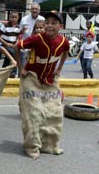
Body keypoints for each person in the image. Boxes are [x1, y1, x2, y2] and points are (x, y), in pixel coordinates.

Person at [14, 10, 69, 159]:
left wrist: (59, 69)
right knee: (34, 114)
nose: (50, 26)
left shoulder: (64, 42)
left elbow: (65, 52)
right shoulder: (37, 39)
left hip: (50, 80)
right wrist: (21, 68)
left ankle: (50, 146)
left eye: (54, 23)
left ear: (60, 26)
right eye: (47, 23)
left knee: (55, 113)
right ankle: (31, 147)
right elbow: (17, 47)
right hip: (31, 78)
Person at [19, 3, 44, 69]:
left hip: (39, 48)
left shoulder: (43, 19)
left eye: (36, 9)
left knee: (36, 68)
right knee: (24, 68)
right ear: (30, 10)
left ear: (39, 10)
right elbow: (19, 33)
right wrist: (21, 31)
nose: (34, 10)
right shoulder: (24, 19)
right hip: (25, 47)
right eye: (32, 9)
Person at [0, 11, 21, 78]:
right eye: (12, 17)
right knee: (14, 54)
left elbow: (19, 37)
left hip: (13, 46)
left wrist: (16, 44)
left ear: (18, 18)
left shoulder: (18, 27)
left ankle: (3, 71)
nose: (14, 19)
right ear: (9, 17)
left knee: (8, 58)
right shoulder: (5, 25)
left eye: (15, 17)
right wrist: (6, 43)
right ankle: (13, 72)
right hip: (4, 45)